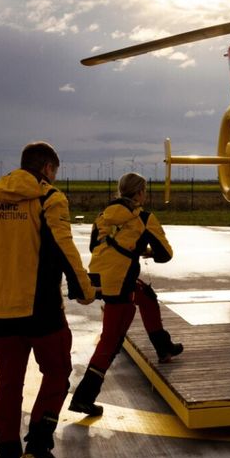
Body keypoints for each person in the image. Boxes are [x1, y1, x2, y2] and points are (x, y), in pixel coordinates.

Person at [0, 141, 95, 458]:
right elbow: (65, 248)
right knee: (58, 372)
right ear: (47, 168)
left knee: (9, 382)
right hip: (41, 309)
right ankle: (38, 445)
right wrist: (84, 290)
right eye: (54, 171)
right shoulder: (48, 198)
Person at [68, 172, 179, 417]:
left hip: (98, 278)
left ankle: (164, 348)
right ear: (139, 193)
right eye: (145, 191)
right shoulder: (144, 218)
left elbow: (93, 246)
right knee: (111, 340)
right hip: (120, 284)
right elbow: (165, 254)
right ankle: (84, 397)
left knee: (146, 296)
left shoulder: (103, 215)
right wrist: (146, 251)